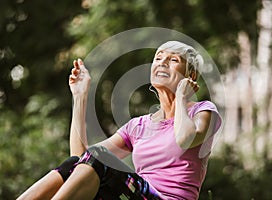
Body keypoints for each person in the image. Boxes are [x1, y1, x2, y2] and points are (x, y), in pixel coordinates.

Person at [17, 41, 222, 200]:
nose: (162, 63)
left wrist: (181, 97)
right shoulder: (138, 126)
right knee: (76, 162)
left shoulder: (202, 111)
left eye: (173, 60)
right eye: (158, 58)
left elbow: (185, 138)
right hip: (134, 194)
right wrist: (80, 97)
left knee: (99, 156)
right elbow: (82, 161)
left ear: (191, 75)